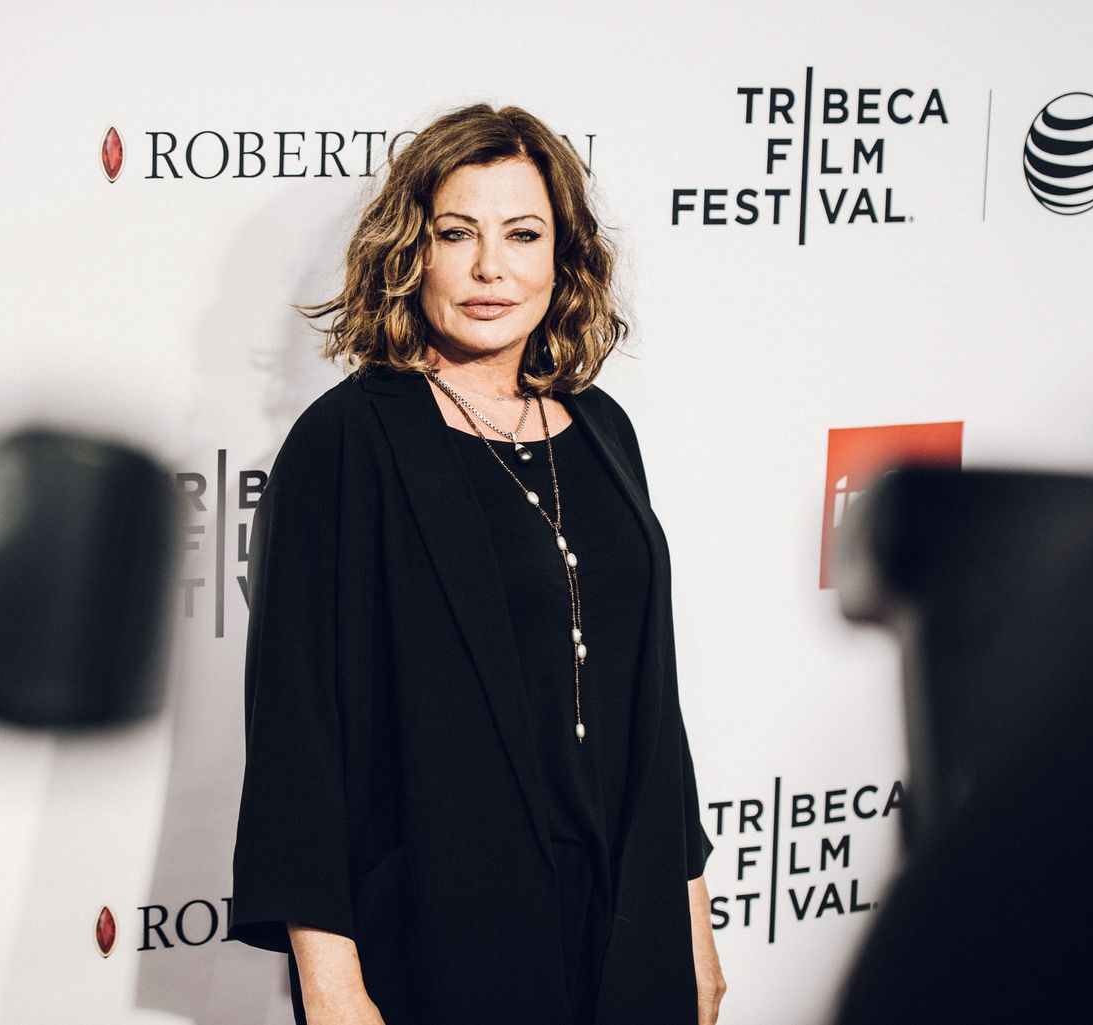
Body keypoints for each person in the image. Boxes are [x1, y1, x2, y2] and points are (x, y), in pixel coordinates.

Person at [230, 104, 724, 1025]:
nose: (492, 267)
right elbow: (301, 732)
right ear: (409, 252)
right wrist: (331, 985)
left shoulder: (602, 428)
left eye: (523, 234)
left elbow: (651, 703)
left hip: (629, 922)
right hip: (446, 929)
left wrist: (690, 920)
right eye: (457, 233)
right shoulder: (348, 442)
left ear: (563, 256)